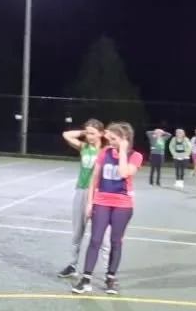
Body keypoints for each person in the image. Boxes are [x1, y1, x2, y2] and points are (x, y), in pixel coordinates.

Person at [72, 121, 143, 296]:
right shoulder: (104, 153)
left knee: (115, 242)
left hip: (123, 204)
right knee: (95, 240)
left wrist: (123, 151)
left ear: (124, 139)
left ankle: (110, 278)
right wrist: (90, 202)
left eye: (113, 138)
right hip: (102, 201)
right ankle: (86, 279)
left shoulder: (136, 156)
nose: (109, 141)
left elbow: (124, 173)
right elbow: (94, 178)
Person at [58, 119, 105, 279]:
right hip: (81, 191)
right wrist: (84, 132)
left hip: (99, 194)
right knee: (77, 231)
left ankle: (107, 273)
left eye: (93, 133)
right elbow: (66, 134)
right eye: (88, 133)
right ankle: (72, 265)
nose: (89, 136)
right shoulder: (84, 147)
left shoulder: (105, 151)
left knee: (102, 236)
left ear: (101, 133)